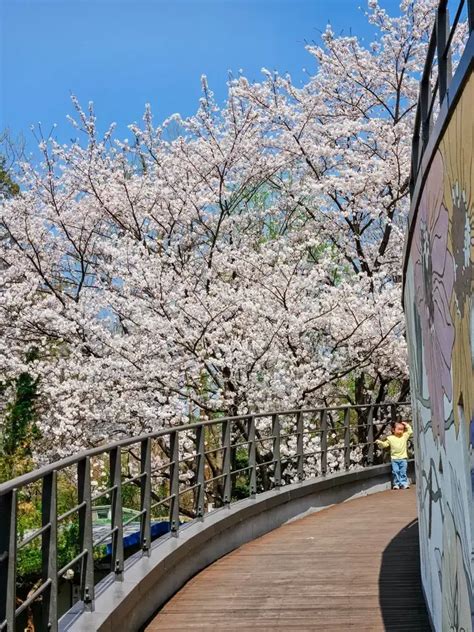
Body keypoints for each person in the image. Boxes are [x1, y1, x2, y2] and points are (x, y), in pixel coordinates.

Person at [375, 420, 413, 490]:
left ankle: (404, 483)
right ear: (393, 430)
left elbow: (410, 431)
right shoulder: (390, 438)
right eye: (399, 429)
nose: (401, 431)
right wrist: (380, 442)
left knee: (403, 471)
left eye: (402, 429)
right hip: (394, 458)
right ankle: (396, 484)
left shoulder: (404, 436)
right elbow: (385, 444)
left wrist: (406, 425)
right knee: (395, 471)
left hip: (403, 458)